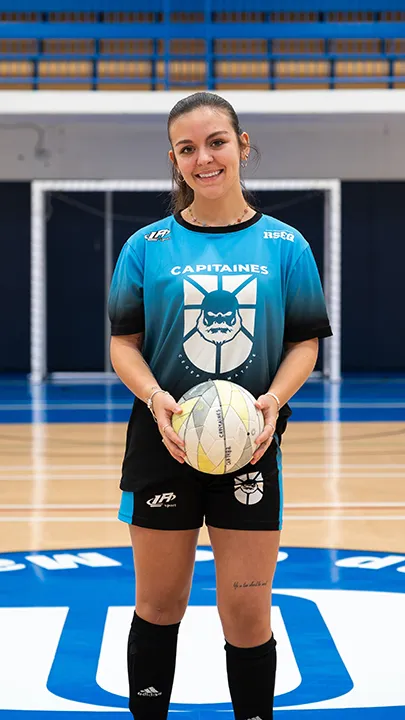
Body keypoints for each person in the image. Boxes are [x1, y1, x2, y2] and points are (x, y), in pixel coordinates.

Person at [108, 91, 332, 720]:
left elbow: (303, 345)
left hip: (251, 448)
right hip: (163, 441)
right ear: (175, 160)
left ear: (242, 146)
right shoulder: (145, 246)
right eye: (187, 149)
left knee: (246, 612)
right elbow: (124, 346)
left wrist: (272, 402)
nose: (203, 158)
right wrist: (157, 401)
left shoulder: (286, 245)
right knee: (157, 606)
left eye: (216, 142)